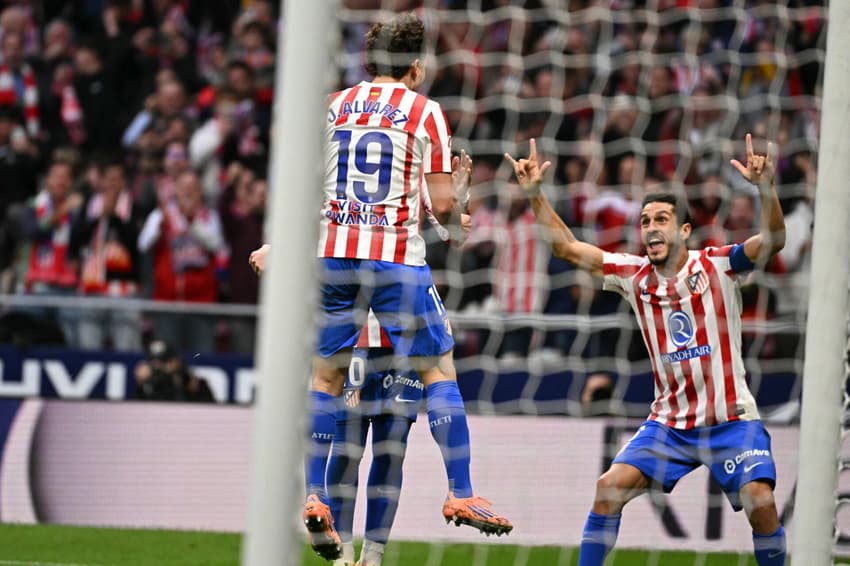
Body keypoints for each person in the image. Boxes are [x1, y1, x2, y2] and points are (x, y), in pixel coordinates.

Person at [250, 13, 511, 561]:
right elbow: (443, 208)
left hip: (332, 257)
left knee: (324, 379)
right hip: (392, 259)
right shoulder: (426, 112)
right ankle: (461, 492)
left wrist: (280, 246)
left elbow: (306, 188)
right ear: (416, 66)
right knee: (439, 371)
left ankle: (315, 495)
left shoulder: (332, 105)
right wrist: (458, 200)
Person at [504, 134, 786, 565]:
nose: (651, 228)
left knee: (760, 502)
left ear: (684, 230)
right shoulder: (633, 275)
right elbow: (566, 247)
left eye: (661, 219)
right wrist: (535, 194)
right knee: (608, 488)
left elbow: (774, 240)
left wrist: (766, 188)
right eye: (645, 221)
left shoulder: (718, 265)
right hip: (670, 423)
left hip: (729, 418)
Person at [327, 312, 423, 566]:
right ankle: (342, 554)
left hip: (407, 342)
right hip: (354, 339)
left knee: (392, 452)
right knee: (346, 451)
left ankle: (373, 556)